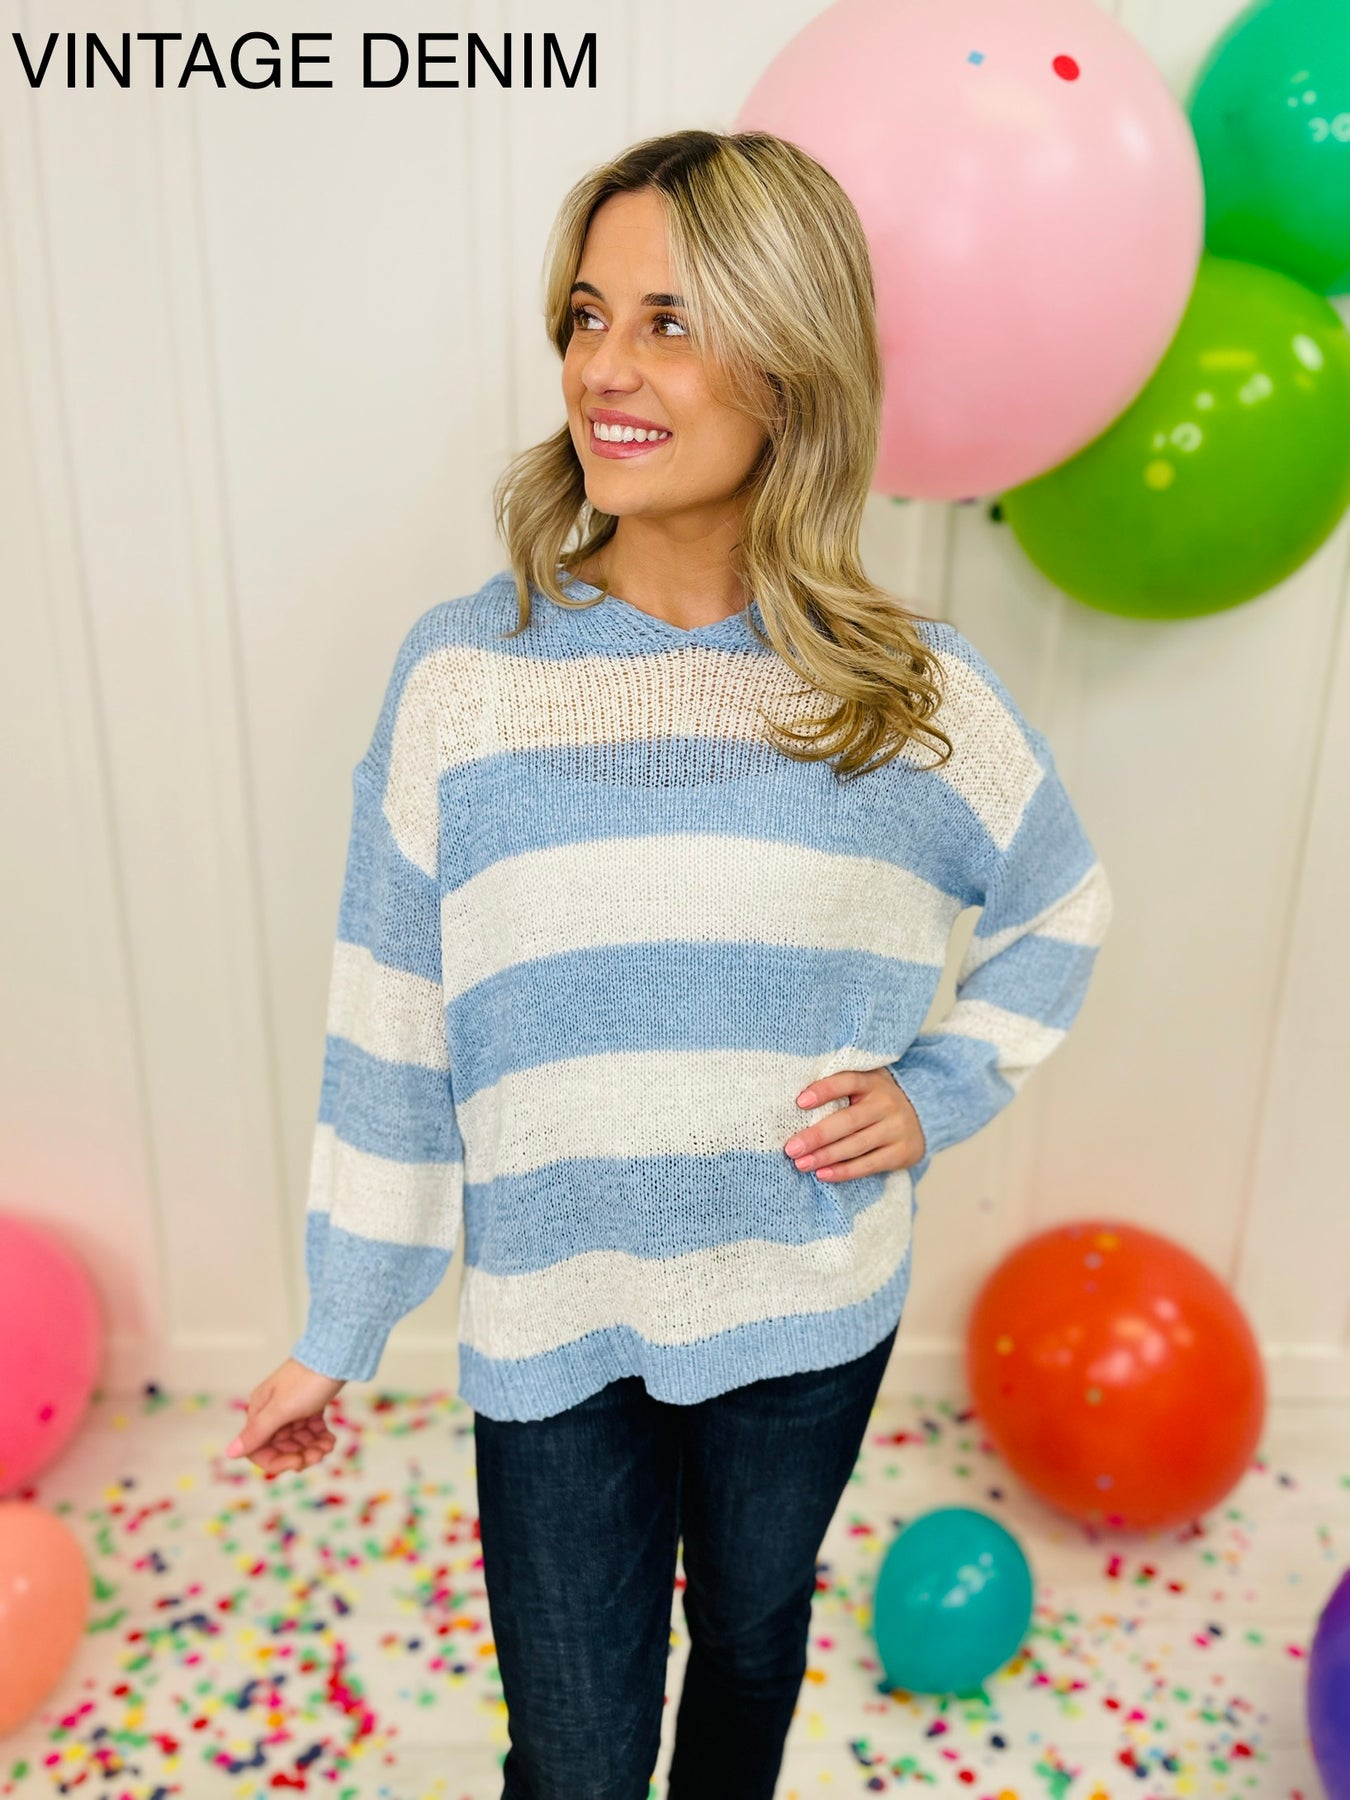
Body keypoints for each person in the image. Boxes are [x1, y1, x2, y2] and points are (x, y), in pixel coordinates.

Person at [226, 129, 1114, 1798]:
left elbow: (1057, 904)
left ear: (790, 365)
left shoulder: (906, 695)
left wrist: (936, 1090)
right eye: (586, 315)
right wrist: (341, 1324)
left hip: (806, 1307)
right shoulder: (465, 684)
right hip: (554, 1321)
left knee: (753, 1644)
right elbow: (393, 1026)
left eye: (669, 323)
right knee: (573, 1758)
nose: (603, 369)